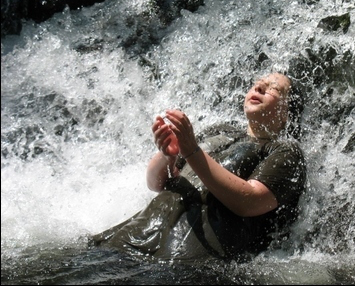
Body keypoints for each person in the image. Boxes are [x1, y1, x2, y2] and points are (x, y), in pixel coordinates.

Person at [90, 72, 306, 261]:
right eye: (258, 83)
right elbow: (156, 184)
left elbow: (249, 201)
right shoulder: (220, 131)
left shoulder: (285, 152)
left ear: (288, 112)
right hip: (131, 238)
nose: (259, 87)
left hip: (182, 261)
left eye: (274, 89)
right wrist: (168, 155)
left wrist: (192, 150)